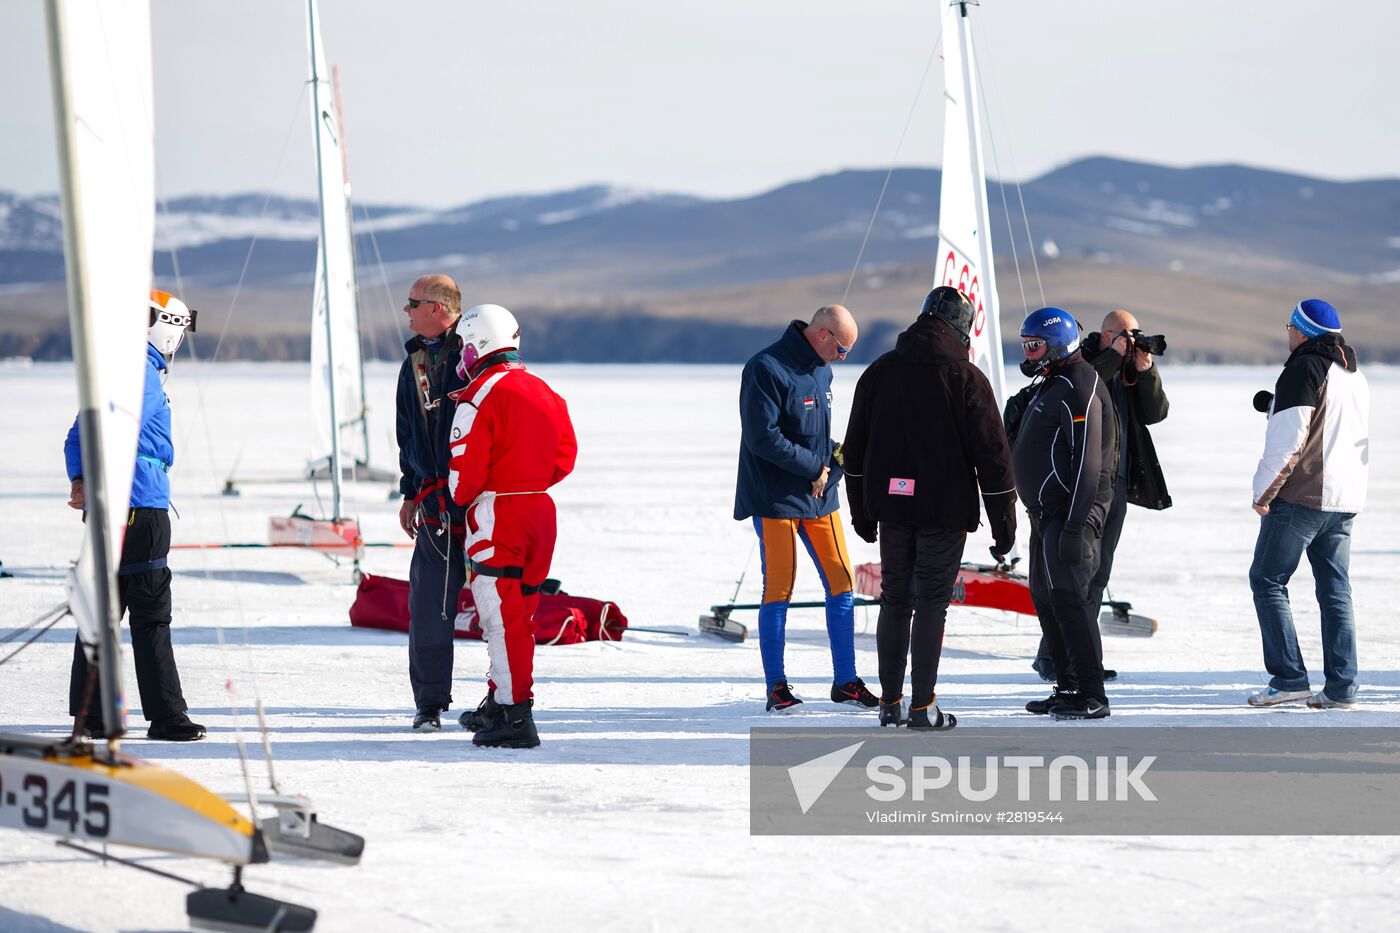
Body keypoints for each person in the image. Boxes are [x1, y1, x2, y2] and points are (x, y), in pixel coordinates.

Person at [841, 286, 1017, 730]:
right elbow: (994, 459)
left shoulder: (879, 372)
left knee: (895, 600)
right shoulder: (967, 378)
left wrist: (862, 511)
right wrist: (1004, 526)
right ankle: (922, 707)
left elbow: (854, 451)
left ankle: (890, 703)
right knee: (931, 604)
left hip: (892, 509)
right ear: (962, 327)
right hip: (944, 511)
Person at [65, 290, 205, 742]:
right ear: (165, 326)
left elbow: (77, 433)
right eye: (180, 330)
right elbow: (110, 423)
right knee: (150, 613)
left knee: (103, 609)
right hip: (139, 504)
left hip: (113, 505)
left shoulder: (117, 370)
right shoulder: (139, 372)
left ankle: (92, 715)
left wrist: (81, 477)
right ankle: (166, 716)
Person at [733, 304, 877, 713]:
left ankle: (846, 681)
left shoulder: (822, 369)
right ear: (824, 335)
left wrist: (834, 463)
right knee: (779, 588)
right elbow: (763, 437)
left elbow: (816, 433)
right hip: (776, 497)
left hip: (819, 497)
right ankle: (776, 686)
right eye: (843, 348)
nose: (844, 358)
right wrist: (814, 466)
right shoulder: (765, 368)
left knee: (841, 581)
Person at [447, 304, 577, 748]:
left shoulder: (480, 394)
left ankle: (514, 714)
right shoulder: (544, 390)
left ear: (477, 343)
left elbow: (463, 476)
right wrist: (529, 478)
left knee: (500, 618)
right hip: (540, 511)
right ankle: (503, 700)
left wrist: (466, 497)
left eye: (463, 346)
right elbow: (565, 458)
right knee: (519, 615)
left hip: (499, 514)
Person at [1028, 308, 1170, 682]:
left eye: (1137, 332)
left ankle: (1080, 658)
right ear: (1106, 335)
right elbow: (1088, 384)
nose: (1133, 338)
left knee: (1097, 574)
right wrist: (1115, 357)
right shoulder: (1082, 361)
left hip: (1116, 484)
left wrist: (1145, 371)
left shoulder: (1126, 368)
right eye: (1126, 334)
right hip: (1079, 484)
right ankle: (1060, 660)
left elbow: (1157, 413)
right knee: (1073, 577)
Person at [1246, 299, 1369, 710]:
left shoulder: (1303, 367)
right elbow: (1334, 428)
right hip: (1344, 498)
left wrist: (1263, 492)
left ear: (1300, 330)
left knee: (1267, 579)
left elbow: (1289, 440)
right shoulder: (1352, 374)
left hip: (1303, 496)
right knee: (1336, 590)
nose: (1288, 334)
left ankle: (1289, 678)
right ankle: (1341, 687)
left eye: (1289, 327)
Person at [1011, 307, 1115, 720]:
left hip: (1073, 511)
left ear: (1056, 344)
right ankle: (1068, 684)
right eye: (1025, 347)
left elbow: (1089, 464)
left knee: (1071, 598)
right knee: (1045, 596)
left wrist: (1074, 526)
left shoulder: (1080, 384)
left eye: (1035, 346)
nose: (1029, 354)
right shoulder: (1053, 382)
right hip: (1045, 513)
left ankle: (1093, 693)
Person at [395, 274, 468, 730]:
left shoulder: (476, 353)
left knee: (497, 605)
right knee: (429, 604)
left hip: (479, 503)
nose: (407, 311)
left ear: (438, 307)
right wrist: (409, 493)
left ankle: (506, 699)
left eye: (413, 303)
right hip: (433, 502)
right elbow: (408, 434)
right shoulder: (416, 360)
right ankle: (430, 703)